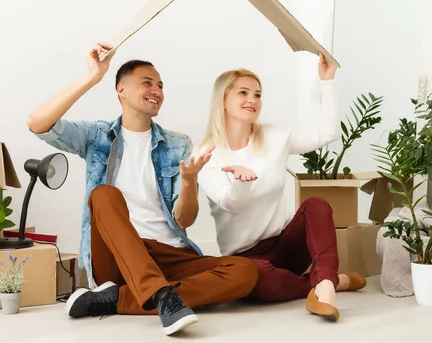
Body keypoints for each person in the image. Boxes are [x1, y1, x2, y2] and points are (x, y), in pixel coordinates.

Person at [27, 42, 258, 335]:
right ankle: (161, 296)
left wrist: (188, 181)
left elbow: (184, 221)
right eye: (147, 83)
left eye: (160, 85)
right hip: (116, 257)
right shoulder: (96, 135)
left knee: (244, 272)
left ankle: (116, 301)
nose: (157, 91)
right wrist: (94, 76)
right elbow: (37, 123)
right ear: (121, 90)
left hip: (168, 254)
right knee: (103, 195)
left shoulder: (178, 144)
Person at [195, 53, 366, 322]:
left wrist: (327, 82)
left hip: (285, 246)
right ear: (223, 100)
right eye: (243, 92)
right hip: (246, 258)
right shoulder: (207, 153)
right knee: (257, 286)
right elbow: (231, 203)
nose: (252, 100)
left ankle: (325, 289)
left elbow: (327, 133)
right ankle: (331, 280)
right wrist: (240, 181)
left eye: (257, 94)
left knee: (316, 204)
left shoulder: (275, 136)